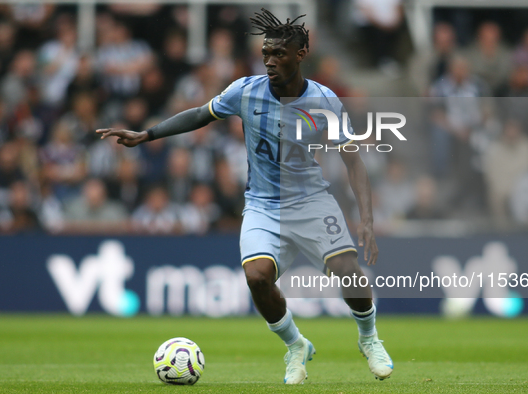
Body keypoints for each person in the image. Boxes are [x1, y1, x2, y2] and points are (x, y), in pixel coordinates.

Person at [97, 9, 392, 384]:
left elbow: (354, 162)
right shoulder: (245, 90)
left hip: (312, 201)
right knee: (256, 277)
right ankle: (295, 345)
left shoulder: (325, 100)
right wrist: (147, 134)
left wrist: (365, 218)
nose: (270, 60)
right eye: (266, 53)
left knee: (348, 271)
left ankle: (369, 339)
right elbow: (200, 115)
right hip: (263, 205)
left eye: (279, 54)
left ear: (301, 54)